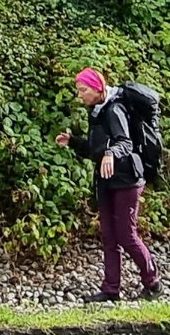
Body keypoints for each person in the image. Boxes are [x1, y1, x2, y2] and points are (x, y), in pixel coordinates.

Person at [56, 67, 160, 302]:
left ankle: (152, 282)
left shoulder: (114, 110)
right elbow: (96, 150)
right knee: (109, 236)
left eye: (83, 90)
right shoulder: (97, 111)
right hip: (106, 180)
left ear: (97, 88)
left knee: (126, 235)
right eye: (78, 90)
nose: (80, 95)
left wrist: (111, 153)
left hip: (127, 179)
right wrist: (73, 142)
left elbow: (125, 143)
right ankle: (111, 289)